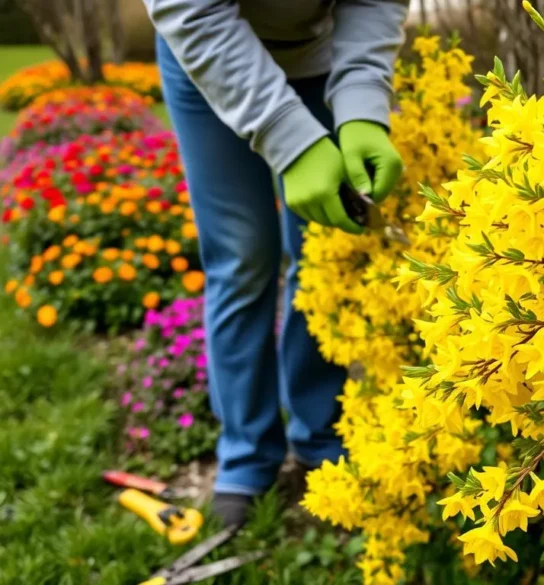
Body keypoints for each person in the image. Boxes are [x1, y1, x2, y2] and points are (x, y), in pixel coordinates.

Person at [143, 0, 408, 526]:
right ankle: (245, 454)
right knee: (241, 257)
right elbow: (189, 9)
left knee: (321, 254)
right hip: (208, 55)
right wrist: (289, 138)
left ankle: (321, 435)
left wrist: (360, 104)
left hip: (322, 58)